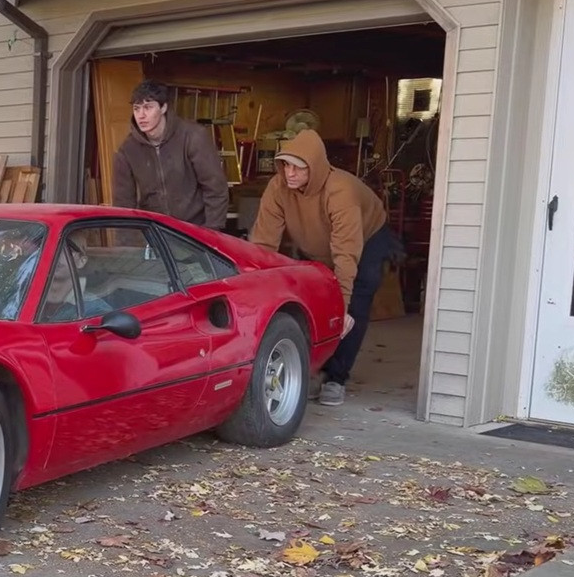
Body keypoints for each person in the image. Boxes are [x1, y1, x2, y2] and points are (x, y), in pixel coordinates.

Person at [250, 128, 404, 406]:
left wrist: (342, 306)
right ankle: (313, 370)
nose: (290, 173)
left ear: (316, 167)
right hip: (319, 244)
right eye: (285, 164)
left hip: (366, 239)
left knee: (353, 304)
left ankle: (336, 378)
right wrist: (253, 291)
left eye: (298, 167)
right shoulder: (278, 187)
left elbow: (346, 253)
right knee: (315, 300)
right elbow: (263, 243)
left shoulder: (340, 191)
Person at [111, 80, 231, 230]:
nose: (141, 115)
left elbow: (215, 188)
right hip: (157, 234)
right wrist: (126, 249)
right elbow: (123, 204)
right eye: (136, 109)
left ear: (163, 107)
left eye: (148, 107)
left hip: (195, 231)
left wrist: (212, 234)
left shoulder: (193, 137)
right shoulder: (127, 150)